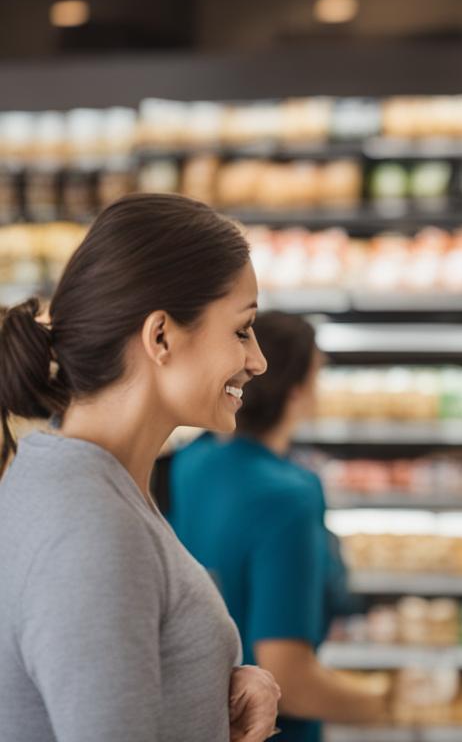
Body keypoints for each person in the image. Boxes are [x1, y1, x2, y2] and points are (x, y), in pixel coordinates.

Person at [0, 193, 282, 742]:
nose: (258, 360)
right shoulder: (92, 525)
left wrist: (202, 691)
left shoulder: (76, 482)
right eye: (242, 329)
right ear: (160, 337)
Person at [169, 312, 392, 742]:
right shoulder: (289, 495)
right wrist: (380, 705)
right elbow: (290, 679)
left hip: (206, 712)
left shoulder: (191, 462)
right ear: (297, 391)